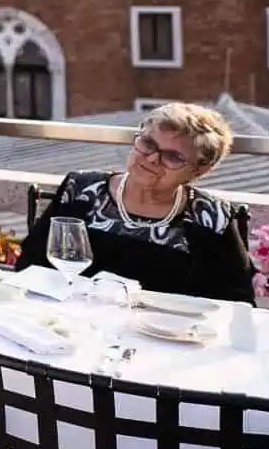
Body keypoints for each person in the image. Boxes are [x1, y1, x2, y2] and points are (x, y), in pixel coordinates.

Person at [18, 102, 253, 302]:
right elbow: (30, 264)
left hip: (167, 344)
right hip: (74, 329)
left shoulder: (212, 216)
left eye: (173, 157)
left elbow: (237, 302)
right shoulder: (81, 190)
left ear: (198, 171)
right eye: (148, 143)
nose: (152, 158)